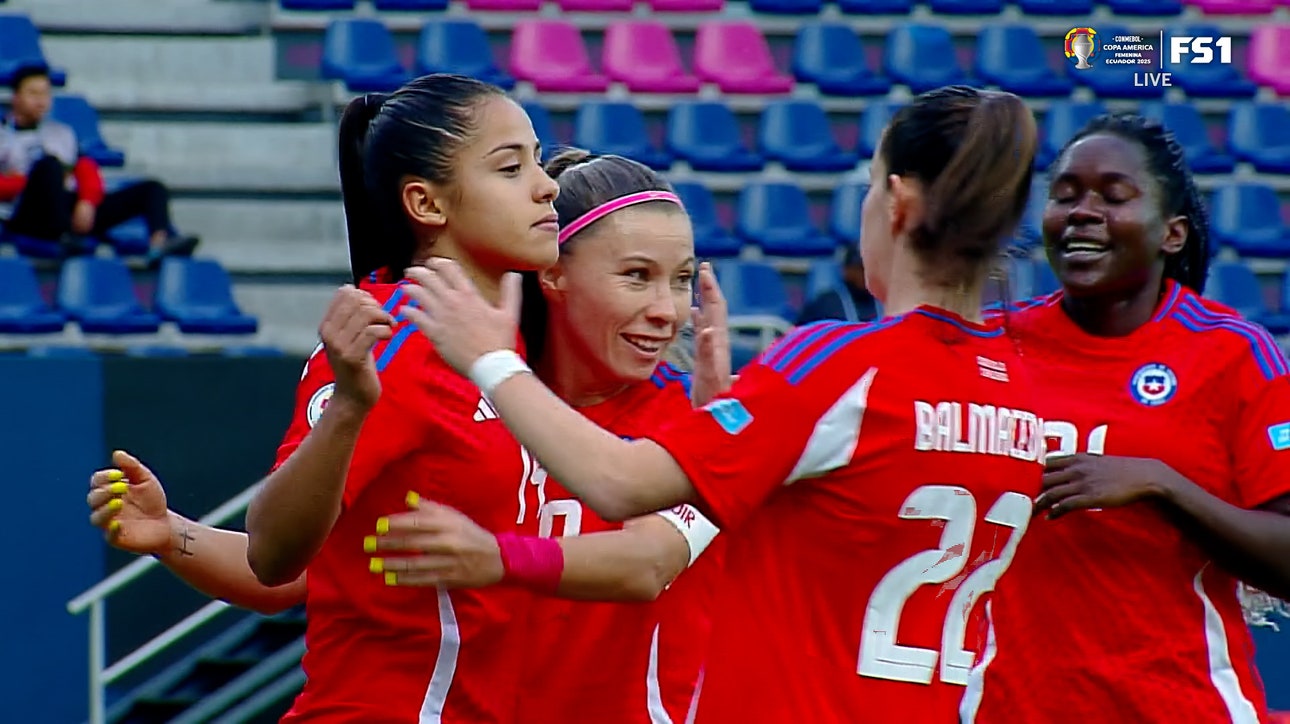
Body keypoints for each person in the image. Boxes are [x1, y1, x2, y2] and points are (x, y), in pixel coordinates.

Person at [395, 85, 1048, 723]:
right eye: (639, 276)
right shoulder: (1021, 391)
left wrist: (491, 362)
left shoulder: (841, 368)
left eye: (871, 186)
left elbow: (623, 491)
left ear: (897, 203)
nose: (666, 308)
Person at [88, 144, 733, 723]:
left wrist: (496, 557)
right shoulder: (478, 407)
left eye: (682, 279)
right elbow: (301, 574)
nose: (668, 310)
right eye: (637, 275)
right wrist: (175, 535)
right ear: (553, 274)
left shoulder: (695, 414)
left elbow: (647, 563)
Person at [963, 114, 1290, 724]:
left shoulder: (1234, 355)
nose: (1082, 212)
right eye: (1065, 195)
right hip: (1009, 708)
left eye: (1113, 197)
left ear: (1172, 234)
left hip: (1182, 708)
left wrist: (1162, 486)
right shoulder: (992, 345)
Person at [0, 64, 197, 263]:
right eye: (33, 94)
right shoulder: (4, 136)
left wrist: (87, 201)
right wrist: (27, 182)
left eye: (45, 94)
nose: (41, 101)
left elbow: (86, 167)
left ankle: (159, 244)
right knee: (49, 166)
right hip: (25, 212)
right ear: (16, 97)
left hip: (67, 207)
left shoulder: (61, 134)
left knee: (152, 189)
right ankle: (65, 238)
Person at [797, 245, 879, 324]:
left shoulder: (882, 301)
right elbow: (799, 330)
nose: (865, 273)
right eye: (860, 268)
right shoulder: (826, 303)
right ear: (846, 270)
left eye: (870, 267)